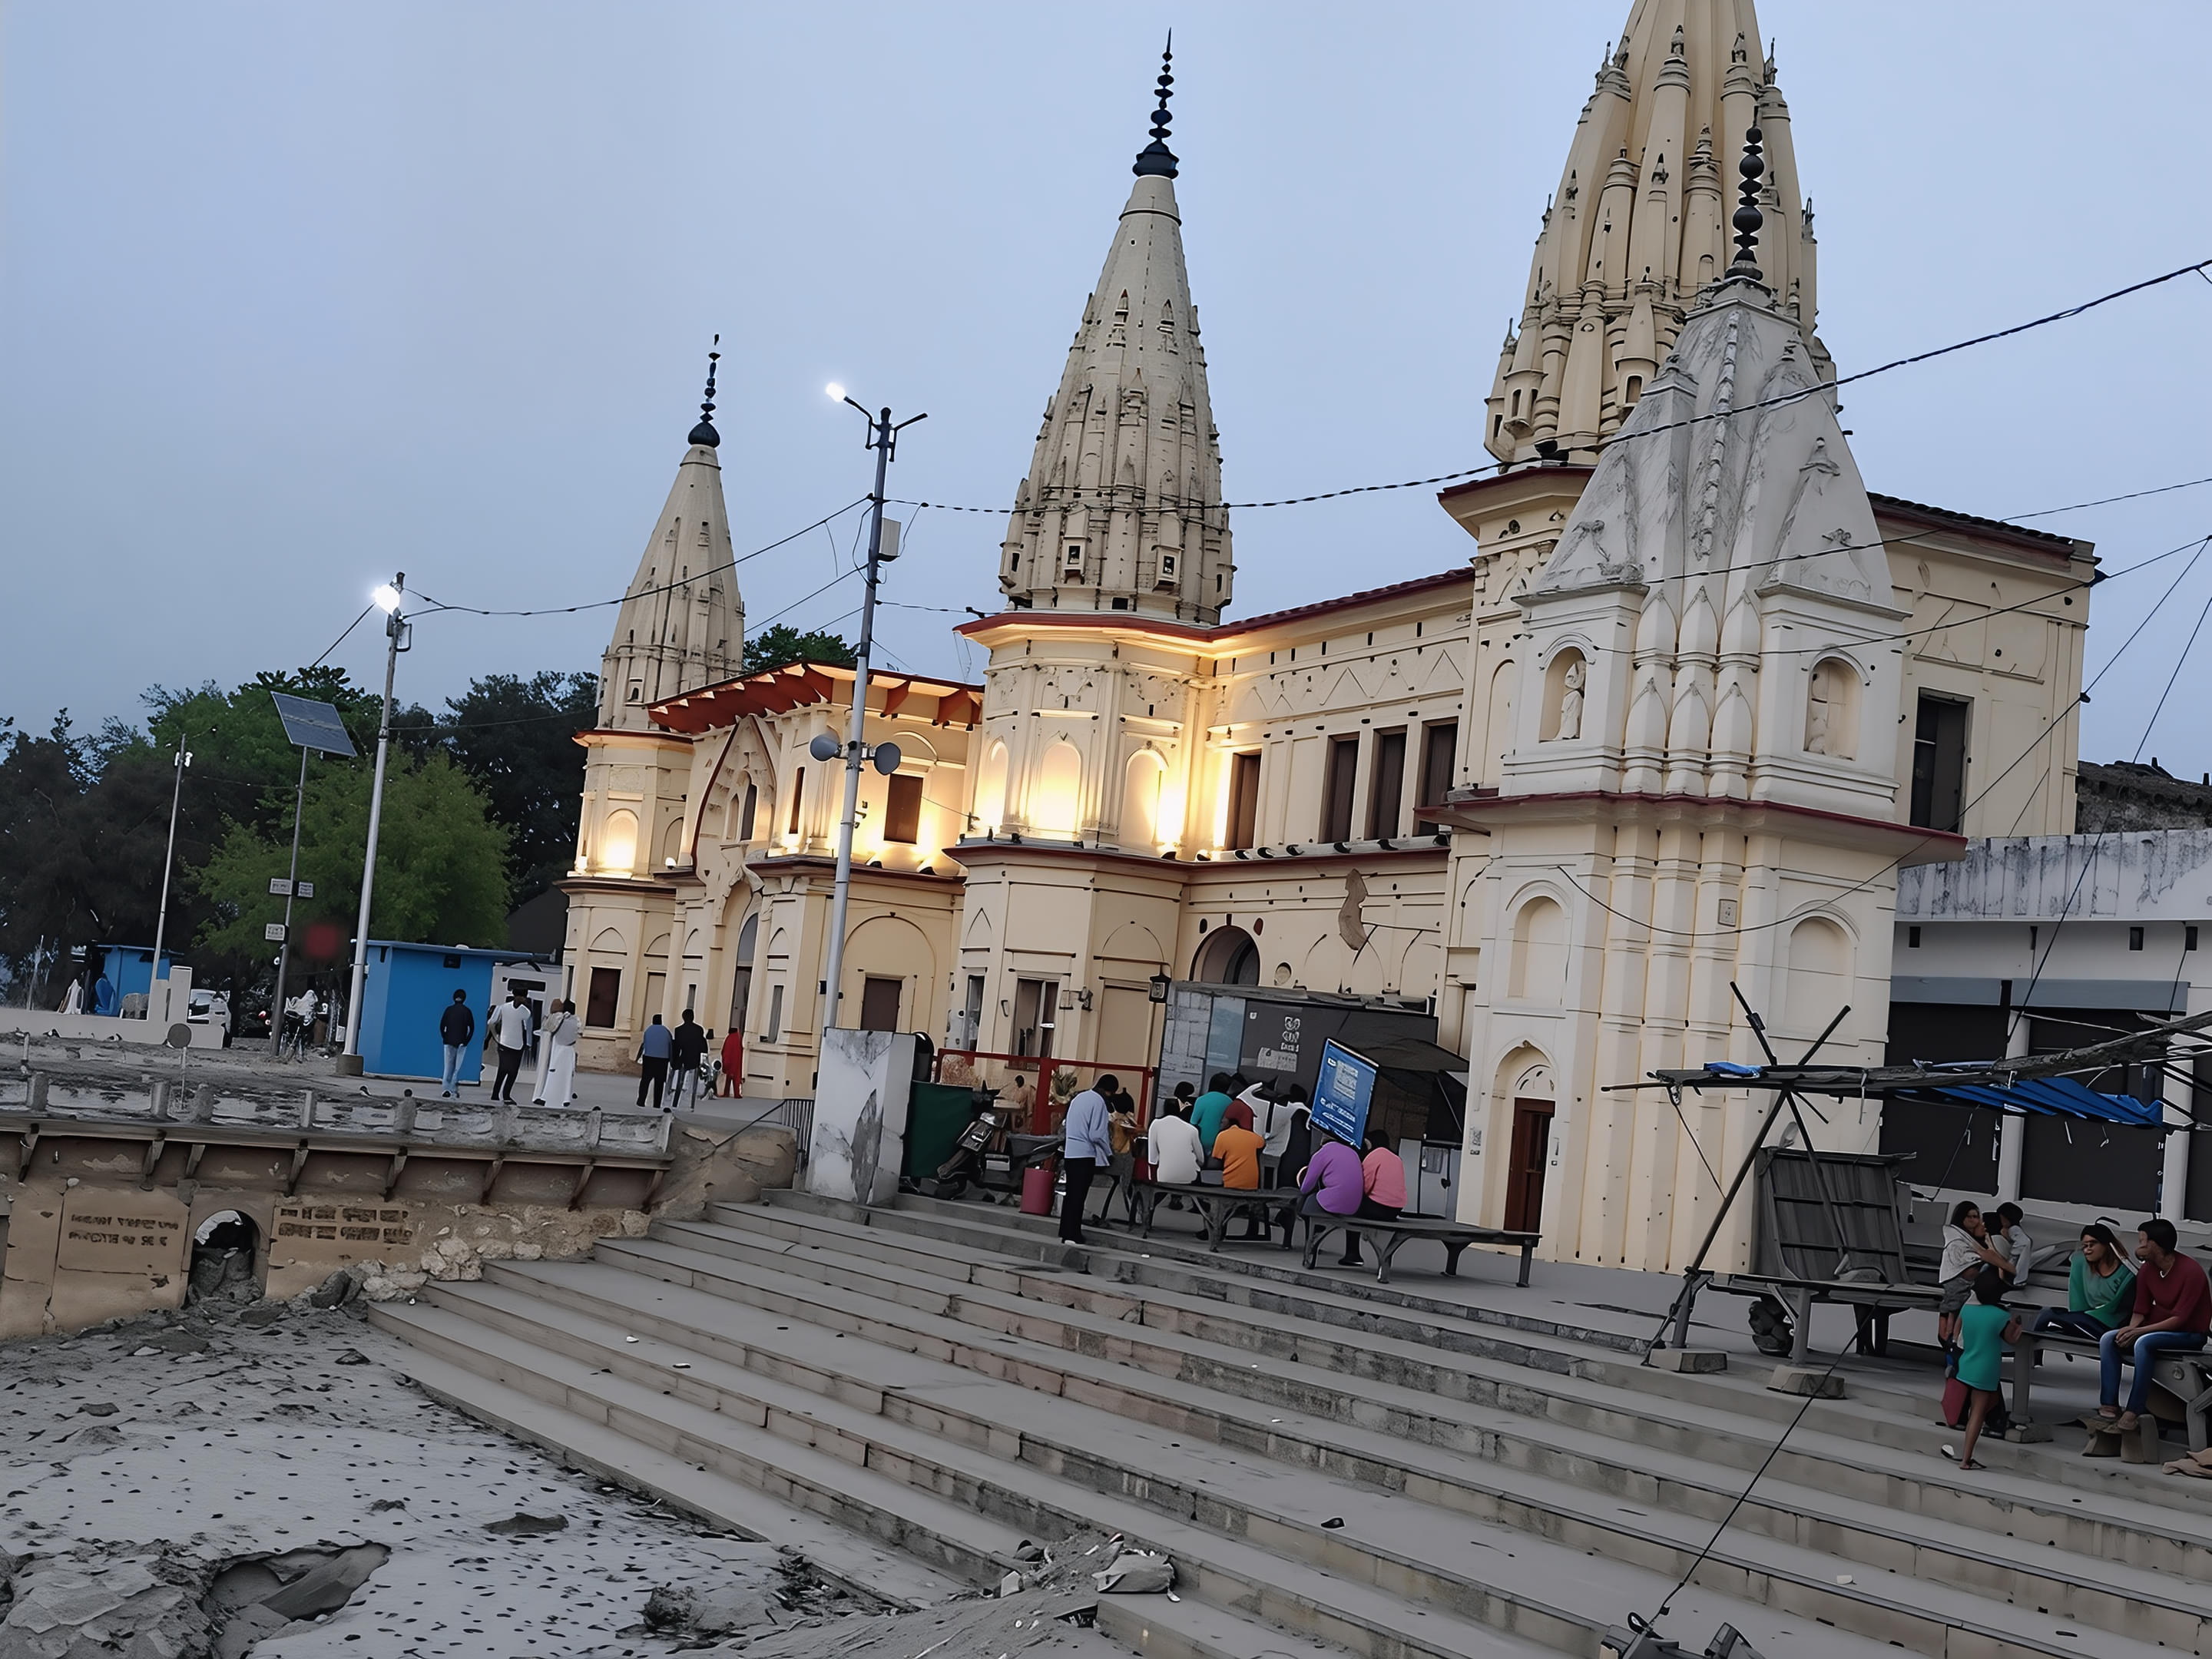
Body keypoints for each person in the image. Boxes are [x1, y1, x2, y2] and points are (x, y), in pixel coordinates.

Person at [2094, 1217, 2212, 1433]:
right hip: (2157, 1329)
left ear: (2155, 1245)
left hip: (2189, 1334)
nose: (2138, 1247)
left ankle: (2134, 1410)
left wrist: (2138, 1332)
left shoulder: (2191, 1272)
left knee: (2143, 1343)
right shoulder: (2148, 1270)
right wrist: (2130, 1329)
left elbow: (2180, 1319)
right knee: (2109, 1338)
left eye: (2142, 1242)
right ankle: (2109, 1405)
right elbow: (2141, 1309)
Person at [1949, 1267, 2022, 1471]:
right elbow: (2011, 1340)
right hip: (1986, 1368)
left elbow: (1956, 1334)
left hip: (1967, 1362)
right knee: (1978, 1414)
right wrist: (2017, 1326)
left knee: (1991, 1402)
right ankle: (1966, 1459)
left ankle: (1967, 1452)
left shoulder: (1967, 1309)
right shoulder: (2001, 1315)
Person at [2032, 1224, 2136, 1339]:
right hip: (2084, 1319)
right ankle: (2033, 1355)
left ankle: (2029, 1355)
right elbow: (2077, 1302)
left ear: (2107, 1244)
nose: (2088, 1250)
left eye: (2092, 1244)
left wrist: (2080, 1317)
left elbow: (2117, 1310)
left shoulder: (2127, 1273)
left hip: (2109, 1327)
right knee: (2050, 1322)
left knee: (2050, 1316)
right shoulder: (2082, 1264)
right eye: (2085, 1246)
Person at [1937, 1201, 2012, 1349]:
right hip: (1957, 1284)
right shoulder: (1957, 1240)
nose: (1976, 1221)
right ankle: (1951, 1342)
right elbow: (1978, 1259)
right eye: (1971, 1217)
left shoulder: (1979, 1241)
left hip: (1970, 1288)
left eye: (1977, 1217)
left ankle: (1953, 1344)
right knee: (1953, 1314)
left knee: (1958, 1316)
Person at [1058, 1074, 1115, 1244]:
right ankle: (1073, 1234)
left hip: (1070, 1153)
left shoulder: (1079, 1098)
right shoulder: (1099, 1103)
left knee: (1071, 1195)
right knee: (1079, 1196)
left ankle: (1065, 1231)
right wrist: (1108, 1152)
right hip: (1085, 1155)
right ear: (1108, 1091)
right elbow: (1096, 1134)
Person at [1296, 1128, 1367, 1263]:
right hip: (1355, 1206)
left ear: (1323, 1139)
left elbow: (1306, 1187)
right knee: (1337, 1198)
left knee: (1307, 1203)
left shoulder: (1322, 1153)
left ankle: (1311, 1246)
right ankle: (1353, 1255)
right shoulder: (1353, 1153)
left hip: (1334, 1201)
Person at [1212, 1114, 1269, 1240]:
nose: (1220, 1124)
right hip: (1252, 1183)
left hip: (1230, 1182)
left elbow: (1216, 1161)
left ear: (1229, 1123)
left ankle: (1219, 1233)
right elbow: (1262, 1143)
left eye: (1222, 1121)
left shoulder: (1223, 1136)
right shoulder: (1251, 1136)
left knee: (1220, 1205)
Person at [485, 987, 534, 1104]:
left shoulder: (507, 1008)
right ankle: (504, 1095)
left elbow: (491, 1022)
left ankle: (497, 1094)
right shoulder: (523, 1011)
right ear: (516, 996)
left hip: (510, 1044)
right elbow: (528, 1029)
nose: (523, 999)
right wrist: (528, 1043)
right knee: (508, 1071)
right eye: (522, 996)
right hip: (511, 1044)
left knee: (506, 1070)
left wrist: (496, 1035)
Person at [1147, 1096, 1204, 1187]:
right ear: (1179, 1111)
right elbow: (1201, 1160)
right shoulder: (1192, 1129)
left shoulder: (1155, 1125)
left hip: (1164, 1176)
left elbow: (1152, 1159)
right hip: (1190, 1177)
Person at [1105, 1086, 1141, 1223]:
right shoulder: (1124, 1121)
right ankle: (1134, 1212)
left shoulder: (1112, 1118)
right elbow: (1139, 1130)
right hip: (1122, 1161)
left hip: (1112, 1158)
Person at [538, 999, 580, 1108]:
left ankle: (545, 1097)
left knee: (553, 1074)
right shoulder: (577, 1021)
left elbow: (547, 1028)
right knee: (567, 1077)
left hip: (558, 1049)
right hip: (570, 1050)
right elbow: (580, 1032)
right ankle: (566, 1099)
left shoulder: (559, 1019)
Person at [438, 990, 475, 1099]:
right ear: (464, 998)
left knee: (448, 1066)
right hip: (461, 1043)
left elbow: (442, 1026)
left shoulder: (449, 1010)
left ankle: (446, 1089)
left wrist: (445, 1037)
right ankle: (453, 1089)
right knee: (456, 1067)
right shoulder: (467, 1011)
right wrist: (466, 1041)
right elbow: (471, 1028)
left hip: (448, 1042)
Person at [669, 1009, 708, 1111]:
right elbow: (702, 1045)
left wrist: (674, 1061)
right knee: (693, 1084)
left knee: (680, 1083)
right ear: (693, 1017)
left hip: (683, 1058)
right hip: (694, 1059)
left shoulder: (679, 1030)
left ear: (683, 1017)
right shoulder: (699, 1029)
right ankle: (691, 1105)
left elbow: (677, 1047)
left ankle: (675, 1103)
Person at [1990, 1201, 2034, 1286]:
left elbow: (2024, 1243)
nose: (2002, 1221)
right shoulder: (2009, 1229)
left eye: (2003, 1218)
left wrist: (2012, 1256)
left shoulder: (2014, 1229)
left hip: (2014, 1260)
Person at [637, 1013, 674, 1111]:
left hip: (649, 1058)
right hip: (662, 1060)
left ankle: (641, 1100)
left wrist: (639, 1057)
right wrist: (671, 1059)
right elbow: (671, 1045)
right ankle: (657, 1103)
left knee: (645, 1080)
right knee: (659, 1082)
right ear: (661, 1021)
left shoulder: (648, 1030)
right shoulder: (666, 1031)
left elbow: (644, 1045)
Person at [1190, 1074, 1235, 1156]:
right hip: (1220, 1143)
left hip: (1200, 1142)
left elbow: (1193, 1122)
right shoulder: (1230, 1102)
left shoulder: (1201, 1099)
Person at [718, 1026, 744, 1097]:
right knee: (736, 1079)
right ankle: (737, 1093)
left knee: (728, 1078)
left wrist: (725, 1063)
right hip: (737, 1062)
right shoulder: (738, 1038)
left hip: (730, 1062)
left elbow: (726, 1052)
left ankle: (726, 1093)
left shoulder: (729, 1039)